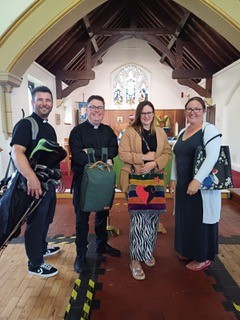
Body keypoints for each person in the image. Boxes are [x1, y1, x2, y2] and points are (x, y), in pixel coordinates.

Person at [10, 85, 65, 278]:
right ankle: (35, 263)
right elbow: (17, 152)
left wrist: (57, 177)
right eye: (40, 100)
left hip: (47, 184)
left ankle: (41, 248)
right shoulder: (26, 124)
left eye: (47, 100)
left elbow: (52, 155)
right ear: (33, 102)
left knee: (46, 218)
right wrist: (31, 178)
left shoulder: (48, 127)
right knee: (35, 222)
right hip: (33, 185)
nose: (44, 103)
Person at [118, 100, 172, 280]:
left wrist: (155, 163)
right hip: (135, 180)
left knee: (153, 220)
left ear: (154, 114)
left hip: (155, 181)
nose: (147, 116)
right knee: (139, 221)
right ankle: (135, 260)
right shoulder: (130, 131)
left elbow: (167, 152)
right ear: (139, 115)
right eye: (143, 113)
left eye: (150, 113)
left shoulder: (160, 132)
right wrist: (143, 158)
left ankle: (147, 252)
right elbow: (122, 153)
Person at [69, 95, 121, 273]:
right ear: (87, 110)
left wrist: (91, 152)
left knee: (102, 215)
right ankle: (81, 255)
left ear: (104, 111)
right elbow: (78, 155)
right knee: (82, 220)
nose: (96, 110)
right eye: (93, 107)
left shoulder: (108, 131)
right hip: (82, 182)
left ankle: (101, 245)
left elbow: (114, 150)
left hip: (103, 183)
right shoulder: (77, 131)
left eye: (100, 107)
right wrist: (102, 156)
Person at [170, 96, 221, 271]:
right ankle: (188, 250)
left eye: (197, 109)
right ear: (185, 111)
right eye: (189, 109)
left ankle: (202, 257)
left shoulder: (209, 129)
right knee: (186, 219)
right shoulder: (184, 131)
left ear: (204, 112)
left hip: (200, 187)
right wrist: (173, 179)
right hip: (183, 184)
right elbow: (177, 157)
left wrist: (196, 181)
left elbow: (212, 157)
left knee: (200, 220)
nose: (193, 112)